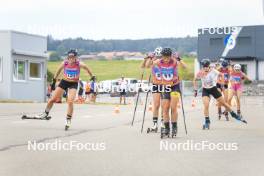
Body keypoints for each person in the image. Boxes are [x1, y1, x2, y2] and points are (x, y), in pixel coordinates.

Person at [36, 49, 93, 130]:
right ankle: (45, 113)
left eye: (73, 57)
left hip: (73, 83)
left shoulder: (79, 64)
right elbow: (58, 71)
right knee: (52, 99)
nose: (71, 59)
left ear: (76, 57)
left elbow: (87, 68)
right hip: (64, 82)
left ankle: (68, 119)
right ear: (68, 57)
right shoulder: (64, 63)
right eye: (69, 57)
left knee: (70, 101)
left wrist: (92, 76)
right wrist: (54, 81)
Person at [193, 59, 245, 130]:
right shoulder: (200, 72)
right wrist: (195, 90)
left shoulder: (213, 70)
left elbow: (222, 75)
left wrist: (222, 84)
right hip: (205, 90)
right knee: (206, 105)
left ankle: (234, 115)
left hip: (214, 89)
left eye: (206, 66)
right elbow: (195, 79)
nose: (205, 68)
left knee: (224, 103)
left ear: (209, 66)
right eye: (204, 66)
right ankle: (207, 120)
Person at [147, 47, 187, 138]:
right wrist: (150, 57)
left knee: (173, 107)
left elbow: (185, 67)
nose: (166, 59)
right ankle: (167, 128)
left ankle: (174, 126)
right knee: (165, 109)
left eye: (168, 57)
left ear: (170, 56)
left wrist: (179, 59)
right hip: (165, 87)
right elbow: (149, 65)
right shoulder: (159, 61)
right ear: (162, 56)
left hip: (175, 86)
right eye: (164, 57)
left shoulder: (174, 62)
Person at [141, 47, 163, 133]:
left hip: (164, 84)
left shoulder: (165, 60)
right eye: (157, 56)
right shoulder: (153, 59)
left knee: (164, 105)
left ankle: (163, 123)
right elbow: (145, 66)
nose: (159, 57)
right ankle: (155, 124)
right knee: (156, 105)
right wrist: (149, 58)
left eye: (160, 56)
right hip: (155, 84)